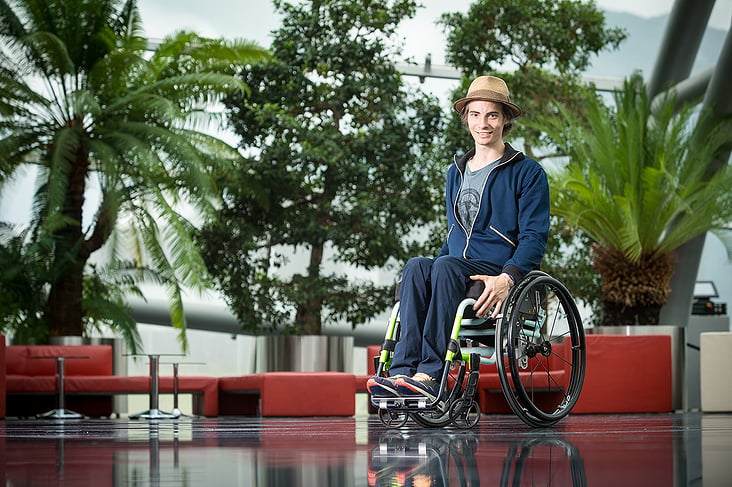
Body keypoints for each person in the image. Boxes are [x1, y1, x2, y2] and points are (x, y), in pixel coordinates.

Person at [367, 75, 550, 403]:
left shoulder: (527, 172)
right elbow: (455, 234)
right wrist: (430, 269)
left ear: (505, 119)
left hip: (494, 269)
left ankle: (430, 372)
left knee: (446, 267)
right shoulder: (457, 171)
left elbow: (535, 236)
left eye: (492, 115)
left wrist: (508, 277)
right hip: (457, 264)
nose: (484, 123)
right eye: (476, 115)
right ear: (466, 118)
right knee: (417, 267)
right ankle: (401, 372)